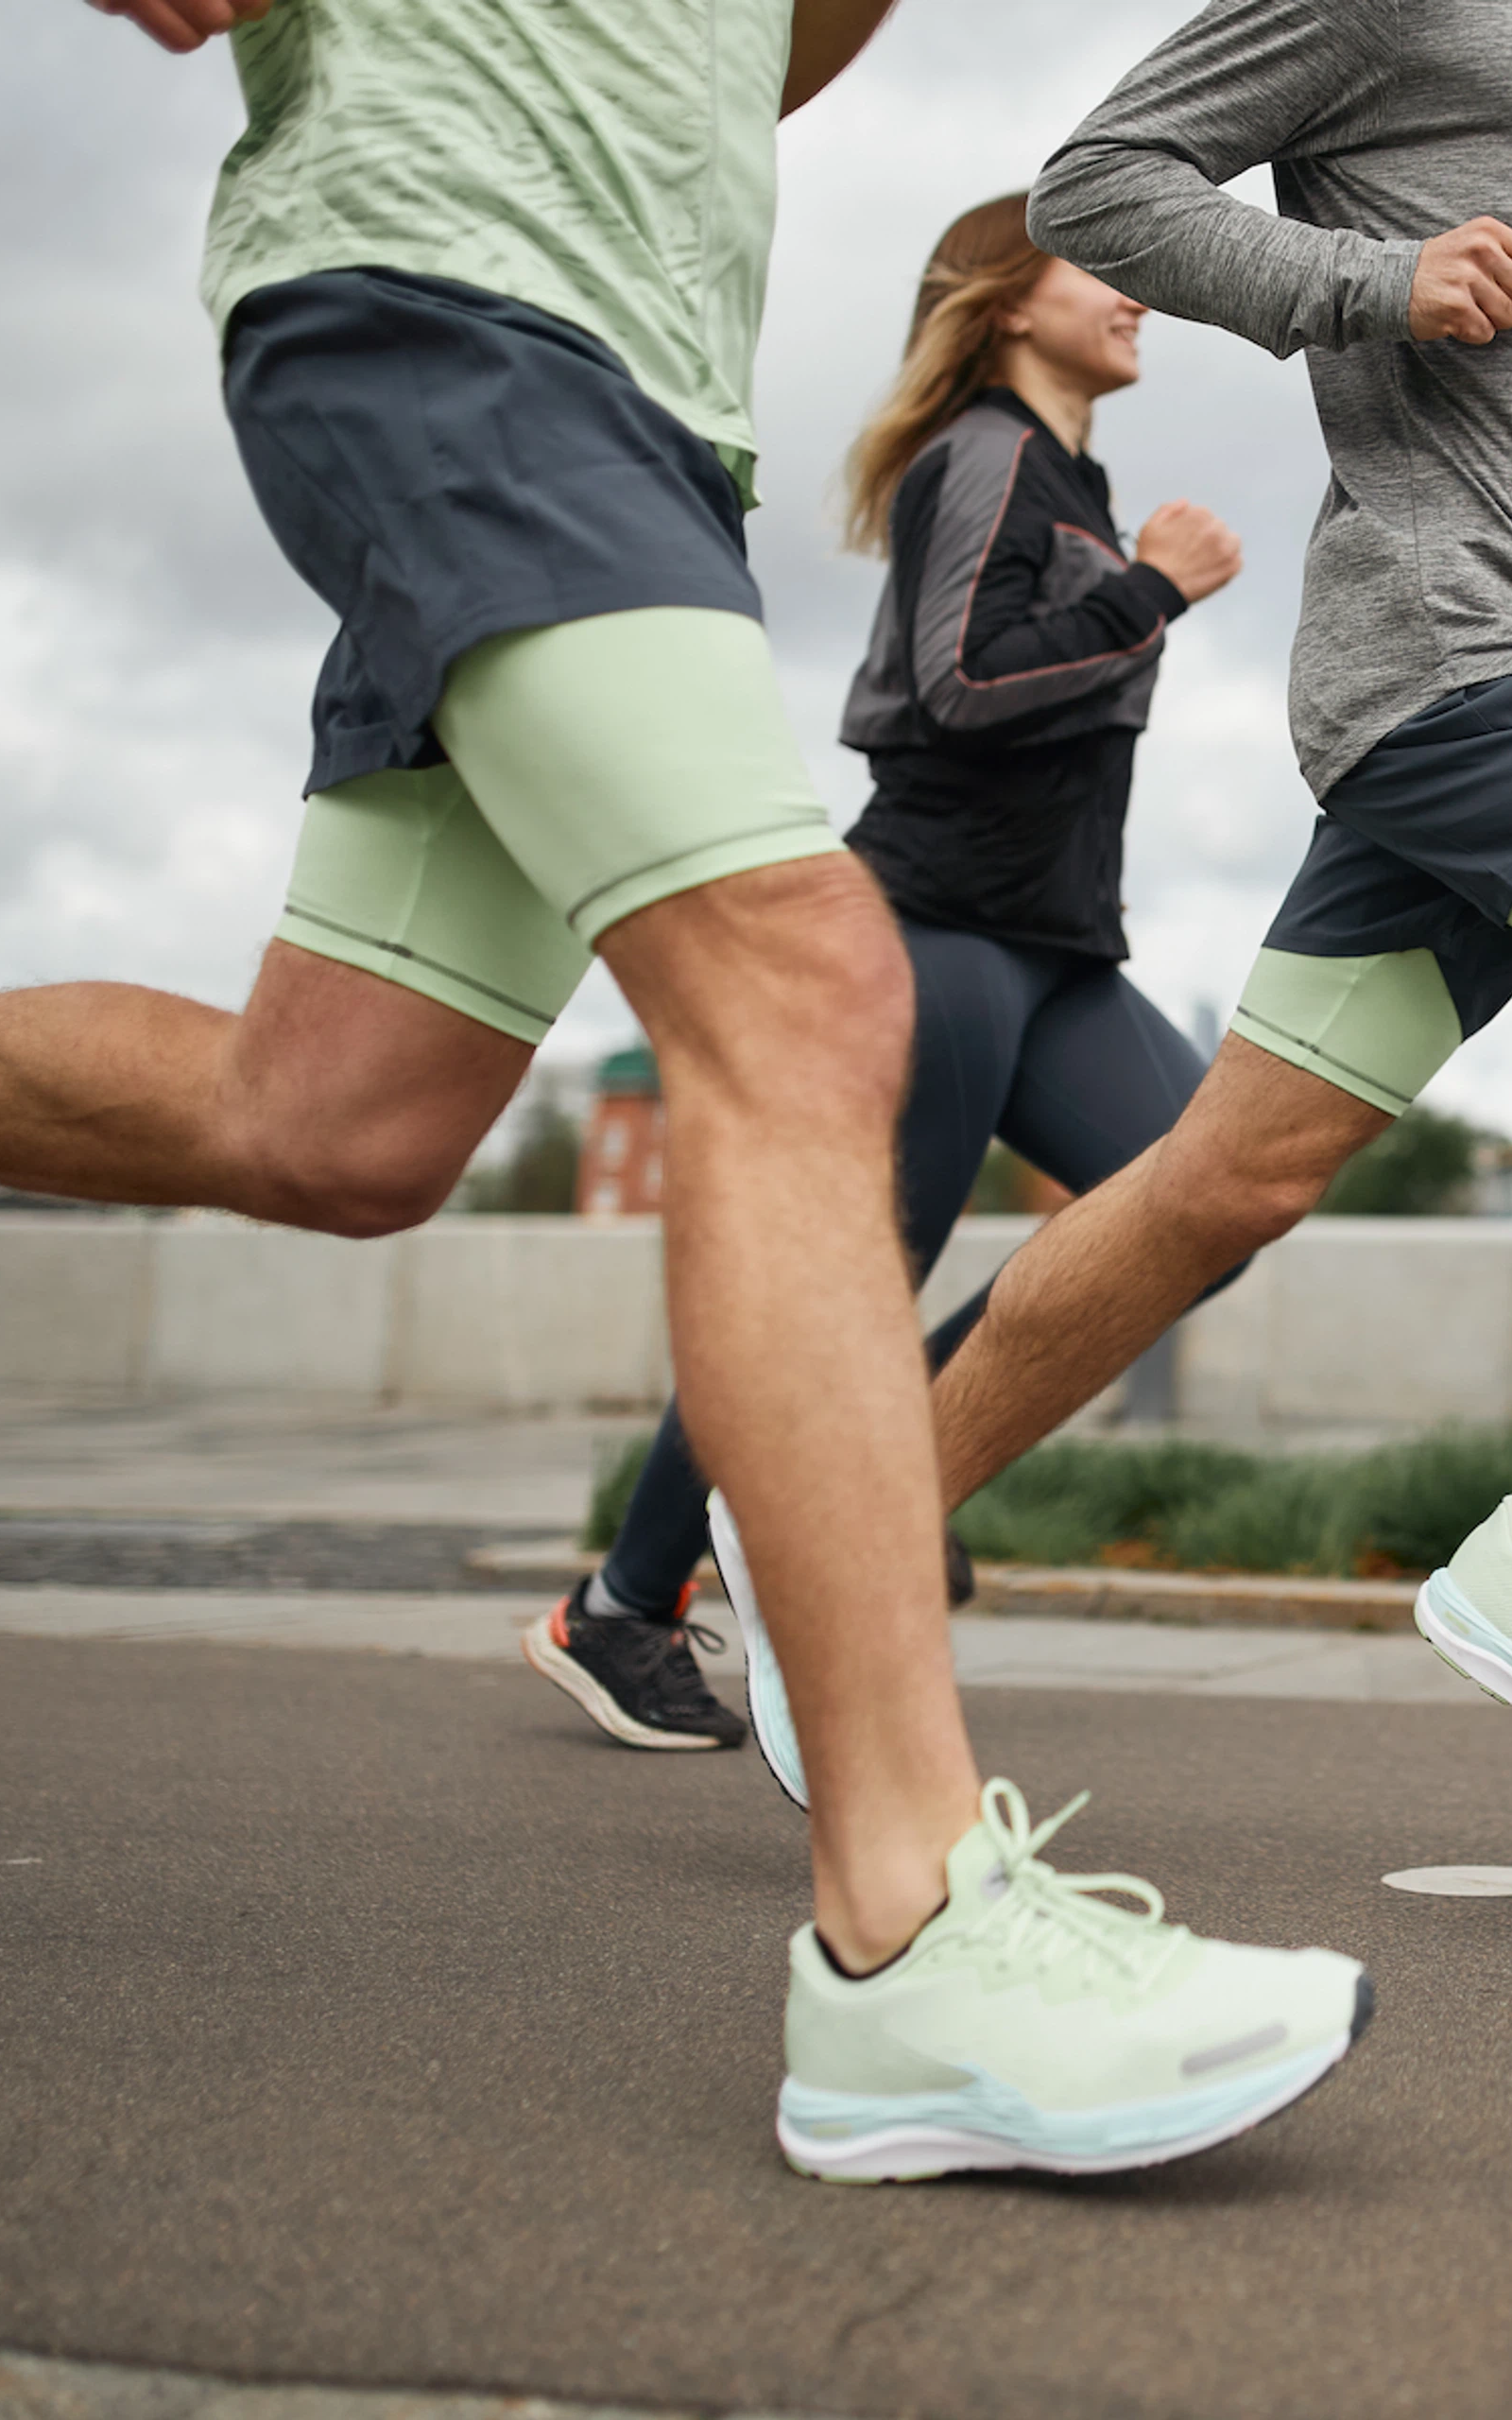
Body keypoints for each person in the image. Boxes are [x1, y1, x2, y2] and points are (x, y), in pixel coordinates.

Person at [0, 0, 1367, 2182]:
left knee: (330, 1122)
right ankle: (908, 1943)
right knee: (808, 995)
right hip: (446, 296)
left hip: (634, 403)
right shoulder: (998, 463)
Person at [737, 0, 1512, 1838]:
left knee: (1224, 1180)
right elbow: (1097, 186)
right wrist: (1375, 281)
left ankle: (847, 1522)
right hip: (1465, 666)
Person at [527, 194, 1246, 1791]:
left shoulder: (1065, 473)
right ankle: (622, 1608)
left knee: (1202, 1197)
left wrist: (1127, 576)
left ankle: (894, 1472)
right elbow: (960, 686)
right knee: (842, 1286)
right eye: (1098, 270)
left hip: (1057, 945)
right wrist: (1150, 592)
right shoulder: (982, 453)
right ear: (1006, 304)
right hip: (934, 927)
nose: (1135, 295)